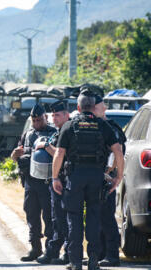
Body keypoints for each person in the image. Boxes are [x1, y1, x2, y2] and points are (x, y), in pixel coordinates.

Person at [52, 90, 124, 270]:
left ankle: (75, 261)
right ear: (93, 107)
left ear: (78, 108)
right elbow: (118, 151)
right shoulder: (103, 125)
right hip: (96, 177)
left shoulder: (69, 126)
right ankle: (93, 260)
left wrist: (55, 178)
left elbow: (59, 154)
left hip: (75, 177)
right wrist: (118, 177)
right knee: (93, 217)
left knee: (74, 218)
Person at [11, 104, 56, 262]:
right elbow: (15, 155)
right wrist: (15, 155)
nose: (37, 123)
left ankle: (51, 249)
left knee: (49, 216)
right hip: (30, 181)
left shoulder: (53, 133)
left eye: (39, 119)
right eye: (34, 120)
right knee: (31, 214)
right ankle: (35, 248)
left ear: (46, 117)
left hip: (47, 181)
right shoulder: (27, 134)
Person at [35, 101, 70, 265]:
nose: (54, 118)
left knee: (67, 218)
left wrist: (46, 146)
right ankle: (53, 251)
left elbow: (61, 154)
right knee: (57, 219)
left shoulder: (70, 131)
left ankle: (67, 253)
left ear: (66, 115)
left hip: (67, 180)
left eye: (57, 115)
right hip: (56, 180)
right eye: (52, 115)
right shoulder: (59, 132)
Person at [93, 95, 124, 267]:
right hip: (94, 177)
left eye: (95, 107)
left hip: (106, 179)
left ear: (103, 109)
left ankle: (112, 255)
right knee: (95, 218)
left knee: (106, 217)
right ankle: (99, 254)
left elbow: (116, 153)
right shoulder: (94, 125)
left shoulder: (111, 128)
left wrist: (108, 172)